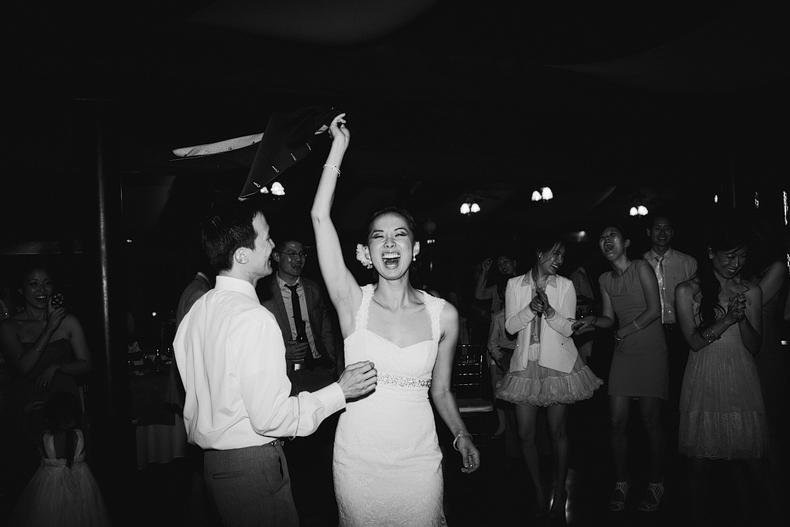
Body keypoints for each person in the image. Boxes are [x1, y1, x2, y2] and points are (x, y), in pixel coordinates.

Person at [311, 113, 479, 526]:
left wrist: (462, 434)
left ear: (416, 249)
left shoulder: (445, 315)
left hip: (419, 462)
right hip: (359, 463)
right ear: (366, 253)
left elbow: (441, 391)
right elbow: (319, 217)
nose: (389, 243)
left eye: (399, 234)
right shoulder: (353, 304)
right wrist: (338, 149)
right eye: (378, 236)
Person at [173, 195, 377, 526]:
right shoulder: (253, 318)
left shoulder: (199, 311)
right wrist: (340, 391)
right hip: (251, 467)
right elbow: (272, 418)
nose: (272, 246)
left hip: (215, 467)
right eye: (266, 238)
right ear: (241, 255)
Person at [675, 218, 774, 526]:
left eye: (742, 256)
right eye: (729, 255)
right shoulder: (687, 290)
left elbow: (755, 346)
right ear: (710, 253)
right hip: (704, 376)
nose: (736, 263)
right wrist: (727, 319)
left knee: (751, 464)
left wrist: (742, 319)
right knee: (698, 468)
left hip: (740, 378)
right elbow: (693, 342)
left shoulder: (751, 290)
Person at [495, 235, 603, 519]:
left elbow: (568, 329)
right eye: (555, 254)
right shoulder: (514, 284)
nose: (559, 261)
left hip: (558, 365)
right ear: (540, 252)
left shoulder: (565, 285)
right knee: (525, 434)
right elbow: (509, 326)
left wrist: (552, 312)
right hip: (524, 366)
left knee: (557, 432)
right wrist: (530, 309)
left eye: (563, 256)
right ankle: (539, 489)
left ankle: (559, 492)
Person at [576, 225, 668, 512]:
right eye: (602, 237)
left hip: (651, 349)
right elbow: (607, 318)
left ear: (626, 242)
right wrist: (591, 322)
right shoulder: (604, 279)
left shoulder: (641, 267)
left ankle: (657, 482)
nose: (606, 240)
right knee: (616, 422)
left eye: (612, 235)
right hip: (624, 351)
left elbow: (656, 310)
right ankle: (621, 481)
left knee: (650, 422)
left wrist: (623, 330)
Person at [257, 237, 341, 524]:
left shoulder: (313, 289)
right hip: (287, 375)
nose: (298, 259)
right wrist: (283, 350)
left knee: (324, 443)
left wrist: (334, 368)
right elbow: (256, 340)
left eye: (302, 253)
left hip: (318, 372)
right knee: (295, 445)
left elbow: (326, 328)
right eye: (291, 253)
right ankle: (300, 505)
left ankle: (325, 505)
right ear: (277, 256)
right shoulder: (263, 292)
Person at [0, 265, 93, 505]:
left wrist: (58, 367)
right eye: (33, 283)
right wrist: (49, 327)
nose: (42, 290)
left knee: (66, 477)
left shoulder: (69, 321)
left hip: (63, 406)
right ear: (22, 290)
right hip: (26, 406)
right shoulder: (9, 327)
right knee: (26, 477)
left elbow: (86, 364)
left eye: (47, 283)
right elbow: (24, 367)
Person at [8, 391, 110, 527]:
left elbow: (26, 434)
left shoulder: (45, 440)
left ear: (48, 419)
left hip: (50, 486)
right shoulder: (80, 435)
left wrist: (26, 414)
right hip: (82, 483)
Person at [642, 215, 697, 411]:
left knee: (679, 380)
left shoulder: (688, 262)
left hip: (680, 330)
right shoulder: (639, 264)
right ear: (649, 232)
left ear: (673, 232)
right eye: (657, 228)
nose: (662, 233)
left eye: (667, 228)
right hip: (650, 330)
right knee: (653, 383)